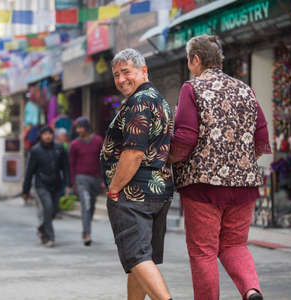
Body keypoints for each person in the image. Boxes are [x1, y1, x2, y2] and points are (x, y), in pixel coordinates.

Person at [169, 34, 271, 300]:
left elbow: (185, 138)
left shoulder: (192, 89)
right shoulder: (244, 89)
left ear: (196, 60)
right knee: (234, 244)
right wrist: (238, 164)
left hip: (203, 187)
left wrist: (168, 159)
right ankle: (251, 290)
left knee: (203, 252)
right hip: (244, 186)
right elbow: (262, 138)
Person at [100, 48, 174, 300]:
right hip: (155, 191)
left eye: (126, 72)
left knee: (137, 257)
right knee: (139, 260)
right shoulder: (158, 99)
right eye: (116, 75)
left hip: (134, 193)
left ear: (143, 71)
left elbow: (133, 153)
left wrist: (114, 188)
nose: (121, 79)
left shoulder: (140, 102)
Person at [22, 126, 71, 248]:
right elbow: (29, 171)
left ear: (53, 135)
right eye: (45, 134)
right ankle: (49, 237)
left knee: (54, 210)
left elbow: (65, 168)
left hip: (56, 184)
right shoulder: (35, 151)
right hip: (41, 184)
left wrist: (68, 184)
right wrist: (26, 190)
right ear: (41, 136)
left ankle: (42, 228)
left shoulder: (60, 149)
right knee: (47, 208)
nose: (48, 136)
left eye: (50, 134)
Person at [69, 117, 103, 246]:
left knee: (92, 205)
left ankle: (86, 229)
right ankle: (87, 234)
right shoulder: (74, 144)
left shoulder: (98, 141)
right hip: (81, 178)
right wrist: (73, 183)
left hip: (95, 178)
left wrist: (103, 180)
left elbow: (103, 161)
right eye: (76, 128)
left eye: (80, 127)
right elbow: (71, 165)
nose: (78, 130)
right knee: (86, 204)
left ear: (87, 127)